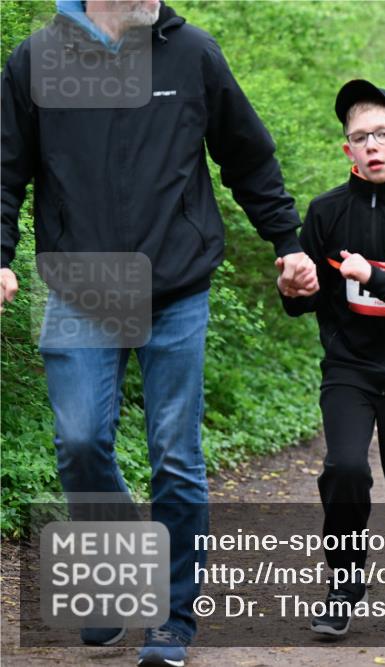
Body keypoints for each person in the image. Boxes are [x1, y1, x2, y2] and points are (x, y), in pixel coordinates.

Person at [1, 2, 317, 665]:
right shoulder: (38, 58)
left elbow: (247, 154)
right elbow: (7, 169)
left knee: (175, 454)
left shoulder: (191, 53)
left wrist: (286, 241)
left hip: (175, 281)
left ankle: (172, 619)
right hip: (81, 283)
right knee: (81, 440)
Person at [279, 79, 385, 636]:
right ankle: (344, 585)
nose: (373, 145)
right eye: (360, 137)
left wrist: (372, 275)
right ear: (347, 150)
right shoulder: (327, 212)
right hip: (350, 369)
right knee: (345, 468)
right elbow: (307, 302)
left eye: (384, 134)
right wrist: (295, 289)